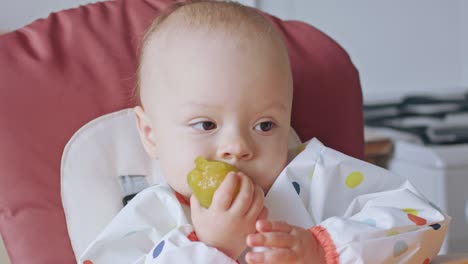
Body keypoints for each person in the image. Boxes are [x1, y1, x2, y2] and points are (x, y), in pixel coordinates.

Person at [79, 1, 449, 263]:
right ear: (151, 133)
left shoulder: (317, 177)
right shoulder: (151, 217)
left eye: (265, 125)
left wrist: (324, 249)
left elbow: (425, 220)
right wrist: (211, 247)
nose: (237, 147)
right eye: (206, 124)